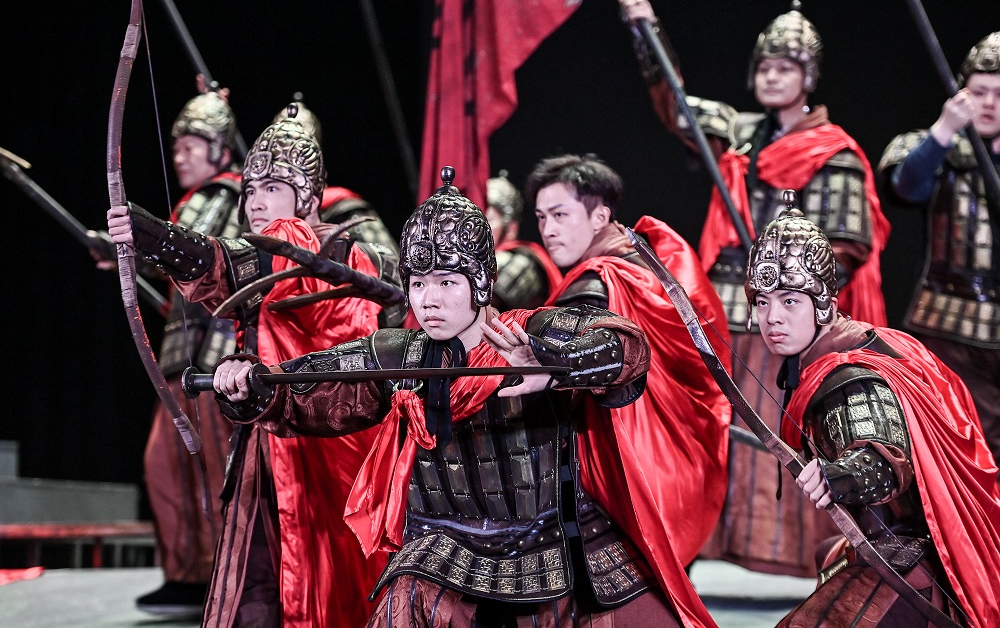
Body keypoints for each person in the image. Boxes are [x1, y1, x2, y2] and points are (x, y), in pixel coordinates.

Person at [208, 180, 722, 627]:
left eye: (447, 282)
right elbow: (313, 390)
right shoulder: (398, 355)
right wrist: (251, 384)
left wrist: (554, 362)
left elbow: (625, 348)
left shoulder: (531, 330)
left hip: (554, 542)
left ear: (480, 283)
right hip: (442, 549)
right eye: (418, 283)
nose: (428, 299)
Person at [619, 0, 891, 578]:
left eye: (785, 68)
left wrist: (791, 290)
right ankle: (710, 545)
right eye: (765, 67)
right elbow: (678, 107)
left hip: (792, 320)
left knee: (784, 426)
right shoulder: (739, 135)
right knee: (724, 426)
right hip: (728, 308)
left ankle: (798, 557)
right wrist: (648, 34)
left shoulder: (835, 153)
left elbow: (845, 247)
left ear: (807, 77)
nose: (772, 76)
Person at [108, 104, 401, 627]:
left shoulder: (329, 248)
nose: (257, 201)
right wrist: (149, 238)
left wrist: (151, 234)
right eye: (250, 190)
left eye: (273, 187)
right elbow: (227, 263)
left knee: (334, 578)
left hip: (334, 440)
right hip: (272, 439)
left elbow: (231, 260)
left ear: (308, 197)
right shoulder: (273, 253)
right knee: (260, 581)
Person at [744, 195, 1000, 627]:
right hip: (911, 544)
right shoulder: (869, 339)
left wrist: (837, 476)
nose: (772, 318)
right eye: (762, 302)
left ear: (823, 305)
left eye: (789, 301)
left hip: (921, 558)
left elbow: (883, 460)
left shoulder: (848, 377)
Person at [524, 153, 731, 569]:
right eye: (542, 217)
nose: (548, 229)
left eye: (560, 215)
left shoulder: (599, 283)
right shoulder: (652, 258)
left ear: (600, 215)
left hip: (634, 472)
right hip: (682, 464)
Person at [100, 83, 243, 616]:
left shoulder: (225, 194)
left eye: (191, 146)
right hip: (181, 361)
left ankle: (226, 579)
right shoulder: (200, 199)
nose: (179, 156)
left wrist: (134, 245)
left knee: (213, 473)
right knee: (166, 468)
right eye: (176, 147)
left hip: (214, 358)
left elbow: (185, 245)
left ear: (219, 150)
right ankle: (188, 577)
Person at [877, 31, 1000, 471]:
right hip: (951, 324)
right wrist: (944, 130)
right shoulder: (940, 149)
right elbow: (905, 187)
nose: (989, 103)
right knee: (958, 443)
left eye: (999, 94)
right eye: (979, 92)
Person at [485, 171, 562, 311]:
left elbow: (478, 307)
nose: (478, 228)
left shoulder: (521, 263)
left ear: (511, 229)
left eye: (488, 220)